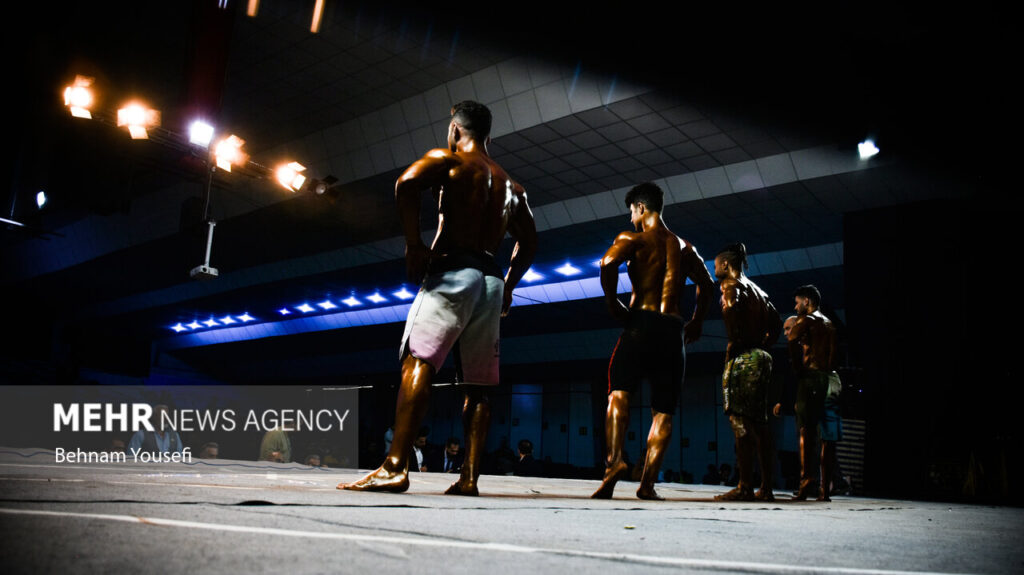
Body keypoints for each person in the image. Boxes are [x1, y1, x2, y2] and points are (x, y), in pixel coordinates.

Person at [340, 100, 537, 496]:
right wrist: (509, 286)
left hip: (453, 271)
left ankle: (395, 466)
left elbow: (406, 184)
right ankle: (469, 478)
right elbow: (529, 242)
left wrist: (414, 244)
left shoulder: (449, 160)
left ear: (455, 130)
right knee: (478, 387)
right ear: (488, 136)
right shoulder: (512, 188)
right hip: (491, 280)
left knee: (418, 362)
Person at [591, 181, 715, 500]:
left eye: (631, 212)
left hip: (640, 324)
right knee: (663, 412)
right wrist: (697, 321)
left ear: (641, 207)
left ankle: (615, 462)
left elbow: (607, 263)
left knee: (619, 394)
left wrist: (612, 304)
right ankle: (647, 485)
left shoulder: (633, 239)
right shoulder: (686, 248)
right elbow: (707, 285)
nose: (631, 218)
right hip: (673, 332)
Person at [714, 243, 782, 501]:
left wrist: (735, 342)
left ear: (726, 265)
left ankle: (744, 485)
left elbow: (730, 307)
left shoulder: (730, 285)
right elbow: (776, 323)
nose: (715, 270)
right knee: (760, 423)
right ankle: (766, 487)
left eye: (716, 265)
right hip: (762, 356)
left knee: (739, 419)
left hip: (743, 357)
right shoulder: (759, 291)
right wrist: (763, 344)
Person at [787, 284, 843, 501]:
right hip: (833, 379)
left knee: (807, 433)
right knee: (829, 437)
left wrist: (798, 369)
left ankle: (806, 484)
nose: (796, 307)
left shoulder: (807, 320)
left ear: (807, 301)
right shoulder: (830, 324)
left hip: (812, 377)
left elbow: (791, 339)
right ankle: (825, 490)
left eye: (797, 302)